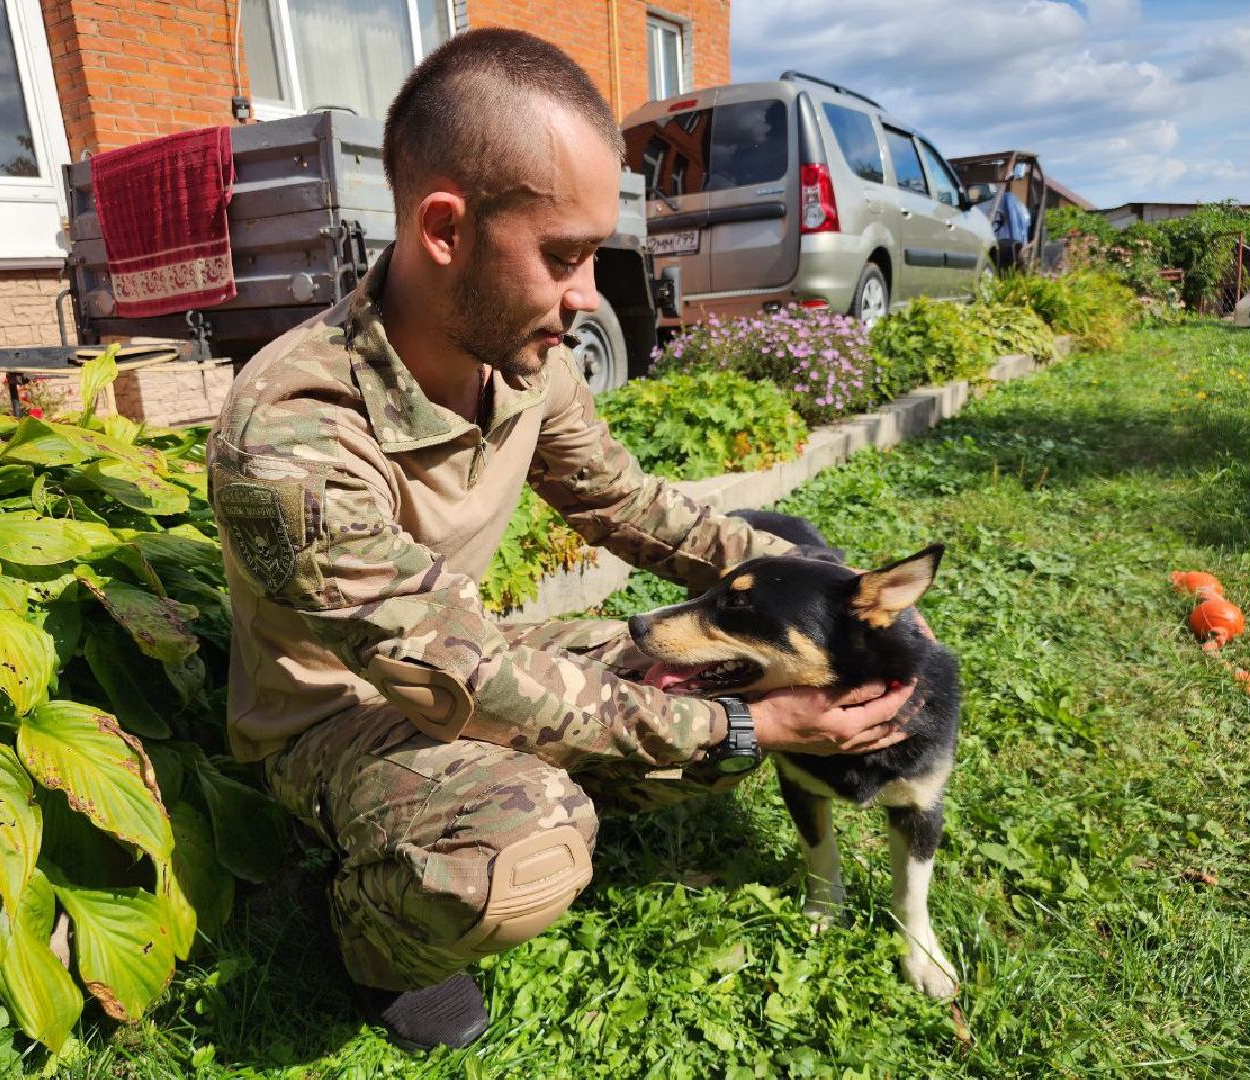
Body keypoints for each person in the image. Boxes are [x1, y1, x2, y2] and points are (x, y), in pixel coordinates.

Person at [208, 28, 917, 1053]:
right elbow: (469, 677)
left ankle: (531, 792)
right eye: (563, 257)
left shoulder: (523, 362)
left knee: (727, 665)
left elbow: (627, 505)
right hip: (332, 720)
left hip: (464, 661)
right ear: (445, 228)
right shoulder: (292, 432)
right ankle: (366, 928)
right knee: (527, 845)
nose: (589, 295)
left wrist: (844, 598)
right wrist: (754, 735)